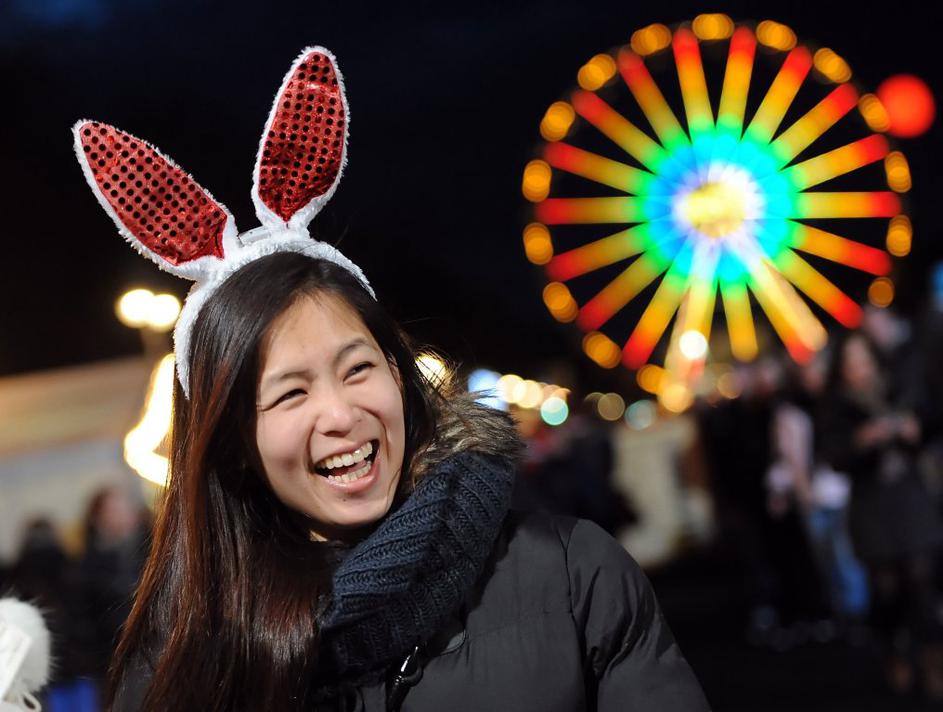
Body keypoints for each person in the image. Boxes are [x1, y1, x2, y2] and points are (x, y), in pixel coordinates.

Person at [72, 48, 709, 711]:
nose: (341, 414)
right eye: (291, 393)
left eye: (358, 369)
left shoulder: (573, 574)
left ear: (400, 376)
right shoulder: (177, 666)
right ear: (231, 442)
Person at [819, 331, 943, 697]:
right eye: (851, 362)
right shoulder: (836, 406)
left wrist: (914, 429)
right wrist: (861, 441)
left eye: (864, 359)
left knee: (922, 580)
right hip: (872, 507)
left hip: (910, 498)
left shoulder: (898, 388)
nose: (859, 369)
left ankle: (933, 658)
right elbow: (834, 456)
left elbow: (932, 419)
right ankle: (894, 649)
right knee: (887, 588)